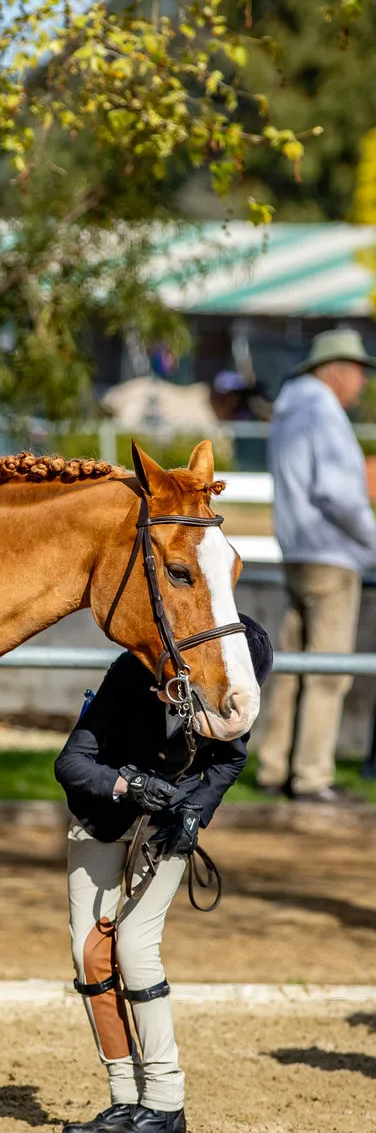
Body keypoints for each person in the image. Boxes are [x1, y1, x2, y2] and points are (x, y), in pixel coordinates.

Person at [53, 616, 273, 1133]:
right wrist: (127, 784)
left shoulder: (226, 702)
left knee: (135, 946)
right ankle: (125, 1097)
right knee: (91, 955)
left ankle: (165, 1102)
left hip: (164, 827)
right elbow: (71, 763)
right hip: (101, 819)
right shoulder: (130, 674)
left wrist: (195, 812)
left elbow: (230, 761)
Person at [256, 327, 376, 804]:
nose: (363, 385)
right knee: (328, 672)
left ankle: (274, 766)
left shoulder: (290, 409)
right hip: (331, 557)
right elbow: (338, 492)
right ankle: (311, 776)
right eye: (360, 373)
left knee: (293, 666)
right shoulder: (323, 413)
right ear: (338, 372)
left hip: (298, 553)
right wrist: (372, 537)